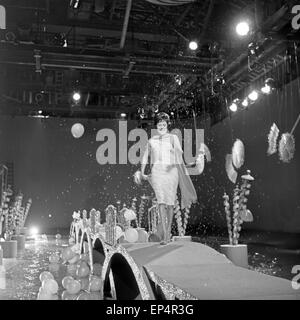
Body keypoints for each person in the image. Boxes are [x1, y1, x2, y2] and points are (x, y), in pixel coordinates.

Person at [141, 112, 197, 245]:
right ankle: (165, 232)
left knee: (170, 203)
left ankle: (168, 233)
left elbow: (178, 154)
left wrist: (175, 164)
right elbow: (145, 156)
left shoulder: (173, 138)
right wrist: (142, 171)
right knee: (161, 201)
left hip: (171, 171)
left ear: (167, 125)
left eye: (163, 124)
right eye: (159, 124)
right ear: (156, 126)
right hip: (157, 172)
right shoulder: (151, 141)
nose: (161, 126)